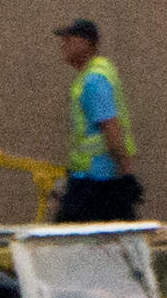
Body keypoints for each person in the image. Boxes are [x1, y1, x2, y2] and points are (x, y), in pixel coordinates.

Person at [49, 24, 138, 221]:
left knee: (73, 238)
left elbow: (109, 125)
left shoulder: (94, 80)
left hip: (98, 182)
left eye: (68, 40)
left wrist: (125, 169)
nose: (63, 46)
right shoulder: (93, 75)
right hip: (94, 179)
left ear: (86, 43)